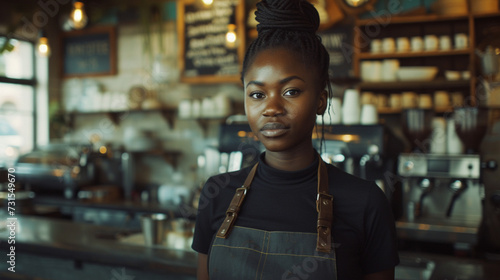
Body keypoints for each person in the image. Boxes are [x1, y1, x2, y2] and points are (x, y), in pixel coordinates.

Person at [191, 0, 399, 279]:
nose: (271, 108)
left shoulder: (366, 202)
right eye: (257, 94)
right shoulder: (217, 194)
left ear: (321, 100)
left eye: (290, 92)